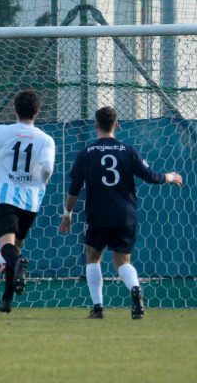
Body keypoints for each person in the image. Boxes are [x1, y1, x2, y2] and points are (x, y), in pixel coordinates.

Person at [59, 106, 182, 320]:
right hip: (125, 214)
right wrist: (170, 177)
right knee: (123, 261)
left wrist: (67, 213)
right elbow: (151, 176)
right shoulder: (128, 151)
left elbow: (74, 189)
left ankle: (98, 308)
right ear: (117, 124)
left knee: (93, 257)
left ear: (96, 125)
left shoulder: (86, 153)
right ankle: (134, 288)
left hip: (98, 215)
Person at [0, 90, 56, 313]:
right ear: (37, 112)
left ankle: (19, 262)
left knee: (7, 248)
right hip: (31, 201)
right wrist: (40, 182)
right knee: (15, 246)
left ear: (14, 109)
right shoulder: (45, 139)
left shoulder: (1, 131)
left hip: (5, 197)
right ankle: (7, 299)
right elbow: (48, 168)